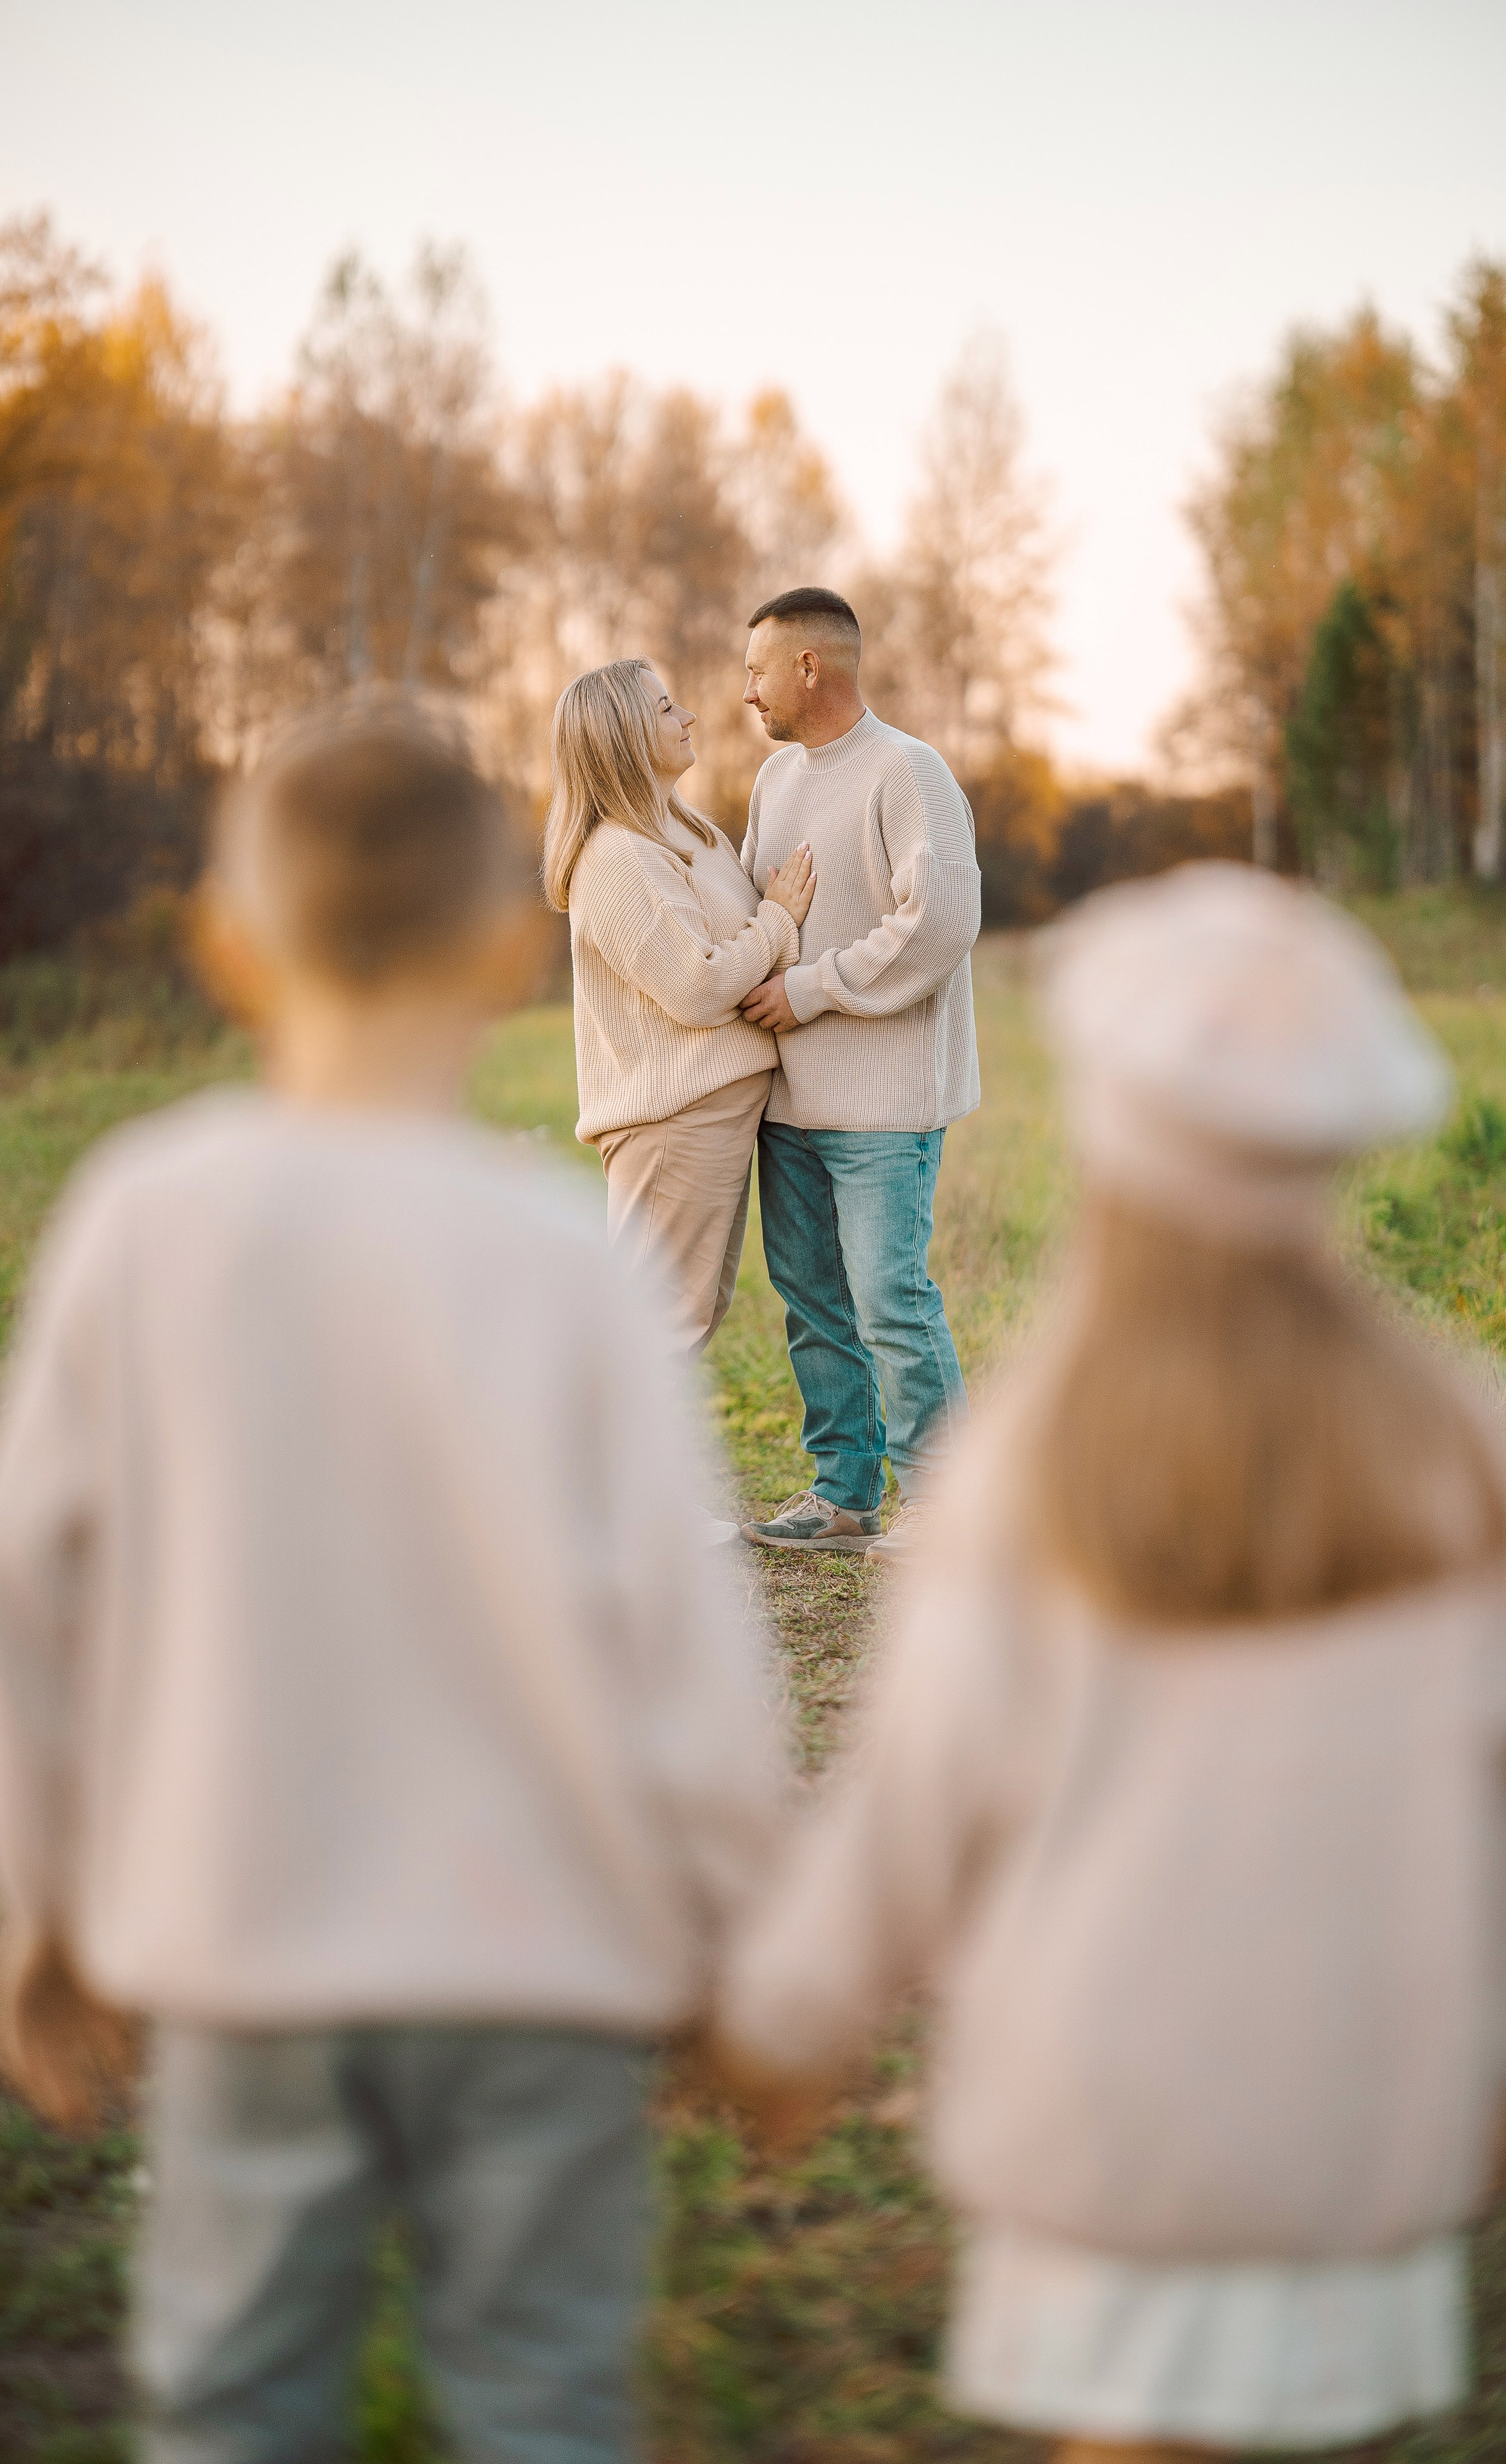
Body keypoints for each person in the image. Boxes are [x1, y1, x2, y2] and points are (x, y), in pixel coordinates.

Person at [0, 688, 790, 2464]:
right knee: (543, 2401)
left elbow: (19, 1588)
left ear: (224, 948)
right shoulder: (567, 1263)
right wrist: (736, 1934)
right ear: (508, 949)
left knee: (236, 2403)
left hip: (244, 1948)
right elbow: (685, 1641)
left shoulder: (144, 1218)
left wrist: (45, 1897)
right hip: (553, 1961)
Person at [714, 862, 1506, 2464]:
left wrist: (789, 2011)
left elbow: (911, 1797)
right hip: (1367, 2108)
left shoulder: (1026, 1467)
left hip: (1104, 2111)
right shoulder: (1461, 1451)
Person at [735, 587, 980, 1563]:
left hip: (883, 1102)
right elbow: (754, 903)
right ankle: (844, 1493)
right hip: (788, 1099)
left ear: (810, 665)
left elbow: (942, 923)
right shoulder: (773, 783)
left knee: (890, 1298)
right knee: (814, 1304)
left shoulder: (906, 770)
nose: (745, 689)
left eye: (757, 668)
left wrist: (813, 988)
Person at [545, 656, 816, 1364]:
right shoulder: (617, 857)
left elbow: (740, 955)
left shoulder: (689, 831)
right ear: (623, 736)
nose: (688, 716)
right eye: (665, 709)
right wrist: (779, 924)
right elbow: (697, 987)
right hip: (673, 1123)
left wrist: (772, 944)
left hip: (714, 1114)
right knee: (655, 1331)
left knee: (683, 1318)